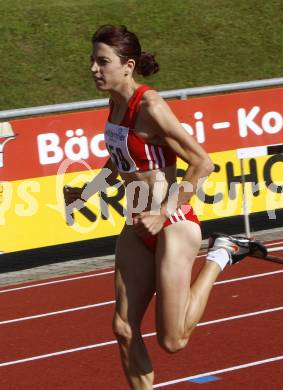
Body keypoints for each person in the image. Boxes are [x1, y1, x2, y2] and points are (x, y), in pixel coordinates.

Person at [65, 25, 265, 390]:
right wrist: (85, 193)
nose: (93, 68)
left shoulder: (151, 106)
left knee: (173, 341)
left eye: (102, 61)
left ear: (127, 65)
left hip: (173, 225)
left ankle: (222, 255)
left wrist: (164, 212)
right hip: (136, 224)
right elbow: (117, 161)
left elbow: (203, 163)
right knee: (123, 328)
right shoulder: (115, 103)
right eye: (92, 60)